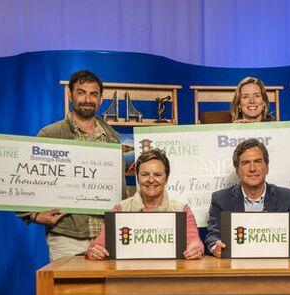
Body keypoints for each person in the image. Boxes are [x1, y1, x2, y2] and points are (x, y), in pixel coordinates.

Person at [18, 70, 122, 261]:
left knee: (105, 291)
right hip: (66, 236)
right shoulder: (50, 135)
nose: (87, 99)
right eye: (81, 92)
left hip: (107, 236)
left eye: (93, 94)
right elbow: (23, 178)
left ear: (101, 99)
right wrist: (33, 215)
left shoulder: (113, 138)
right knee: (67, 290)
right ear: (70, 94)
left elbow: (120, 189)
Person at [85, 149, 204, 260]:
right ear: (137, 178)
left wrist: (196, 248)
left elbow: (194, 240)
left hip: (169, 276)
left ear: (166, 178)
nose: (151, 180)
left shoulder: (182, 210)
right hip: (128, 276)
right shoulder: (120, 209)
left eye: (157, 174)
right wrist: (94, 250)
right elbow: (100, 242)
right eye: (144, 174)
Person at [206, 138, 290, 258]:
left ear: (267, 168)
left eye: (258, 161)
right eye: (246, 163)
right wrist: (216, 248)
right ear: (237, 171)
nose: (252, 168)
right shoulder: (220, 199)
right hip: (236, 268)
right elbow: (213, 236)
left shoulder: (288, 198)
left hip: (275, 266)